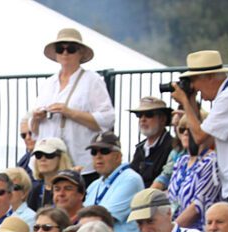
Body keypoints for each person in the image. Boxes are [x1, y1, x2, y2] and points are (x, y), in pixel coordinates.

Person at [30, 27, 116, 168]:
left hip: (80, 162)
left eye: (71, 48)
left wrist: (69, 112)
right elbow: (33, 129)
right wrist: (36, 118)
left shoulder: (92, 80)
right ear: (56, 54)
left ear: (80, 52)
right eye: (60, 49)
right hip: (49, 163)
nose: (65, 53)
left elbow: (107, 119)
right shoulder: (48, 83)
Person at [171, 50, 228, 211]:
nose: (193, 86)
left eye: (194, 80)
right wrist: (190, 100)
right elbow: (201, 141)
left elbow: (200, 136)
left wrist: (184, 101)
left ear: (209, 77)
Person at [83, 131, 146, 232]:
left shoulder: (130, 179)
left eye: (104, 151)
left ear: (118, 157)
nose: (98, 156)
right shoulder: (94, 185)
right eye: (94, 152)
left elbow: (102, 220)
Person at [168, 114, 221, 231]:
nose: (186, 133)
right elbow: (171, 197)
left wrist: (170, 231)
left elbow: (197, 207)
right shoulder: (181, 161)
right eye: (182, 129)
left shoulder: (211, 162)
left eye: (191, 129)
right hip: (177, 229)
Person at [129, 97, 176, 188]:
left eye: (148, 114)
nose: (143, 119)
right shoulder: (140, 148)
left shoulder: (172, 147)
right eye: (139, 115)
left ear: (162, 119)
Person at [25, 137, 69, 211]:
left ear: (61, 158)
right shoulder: (35, 189)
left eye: (49, 155)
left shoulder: (70, 188)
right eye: (38, 155)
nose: (43, 159)